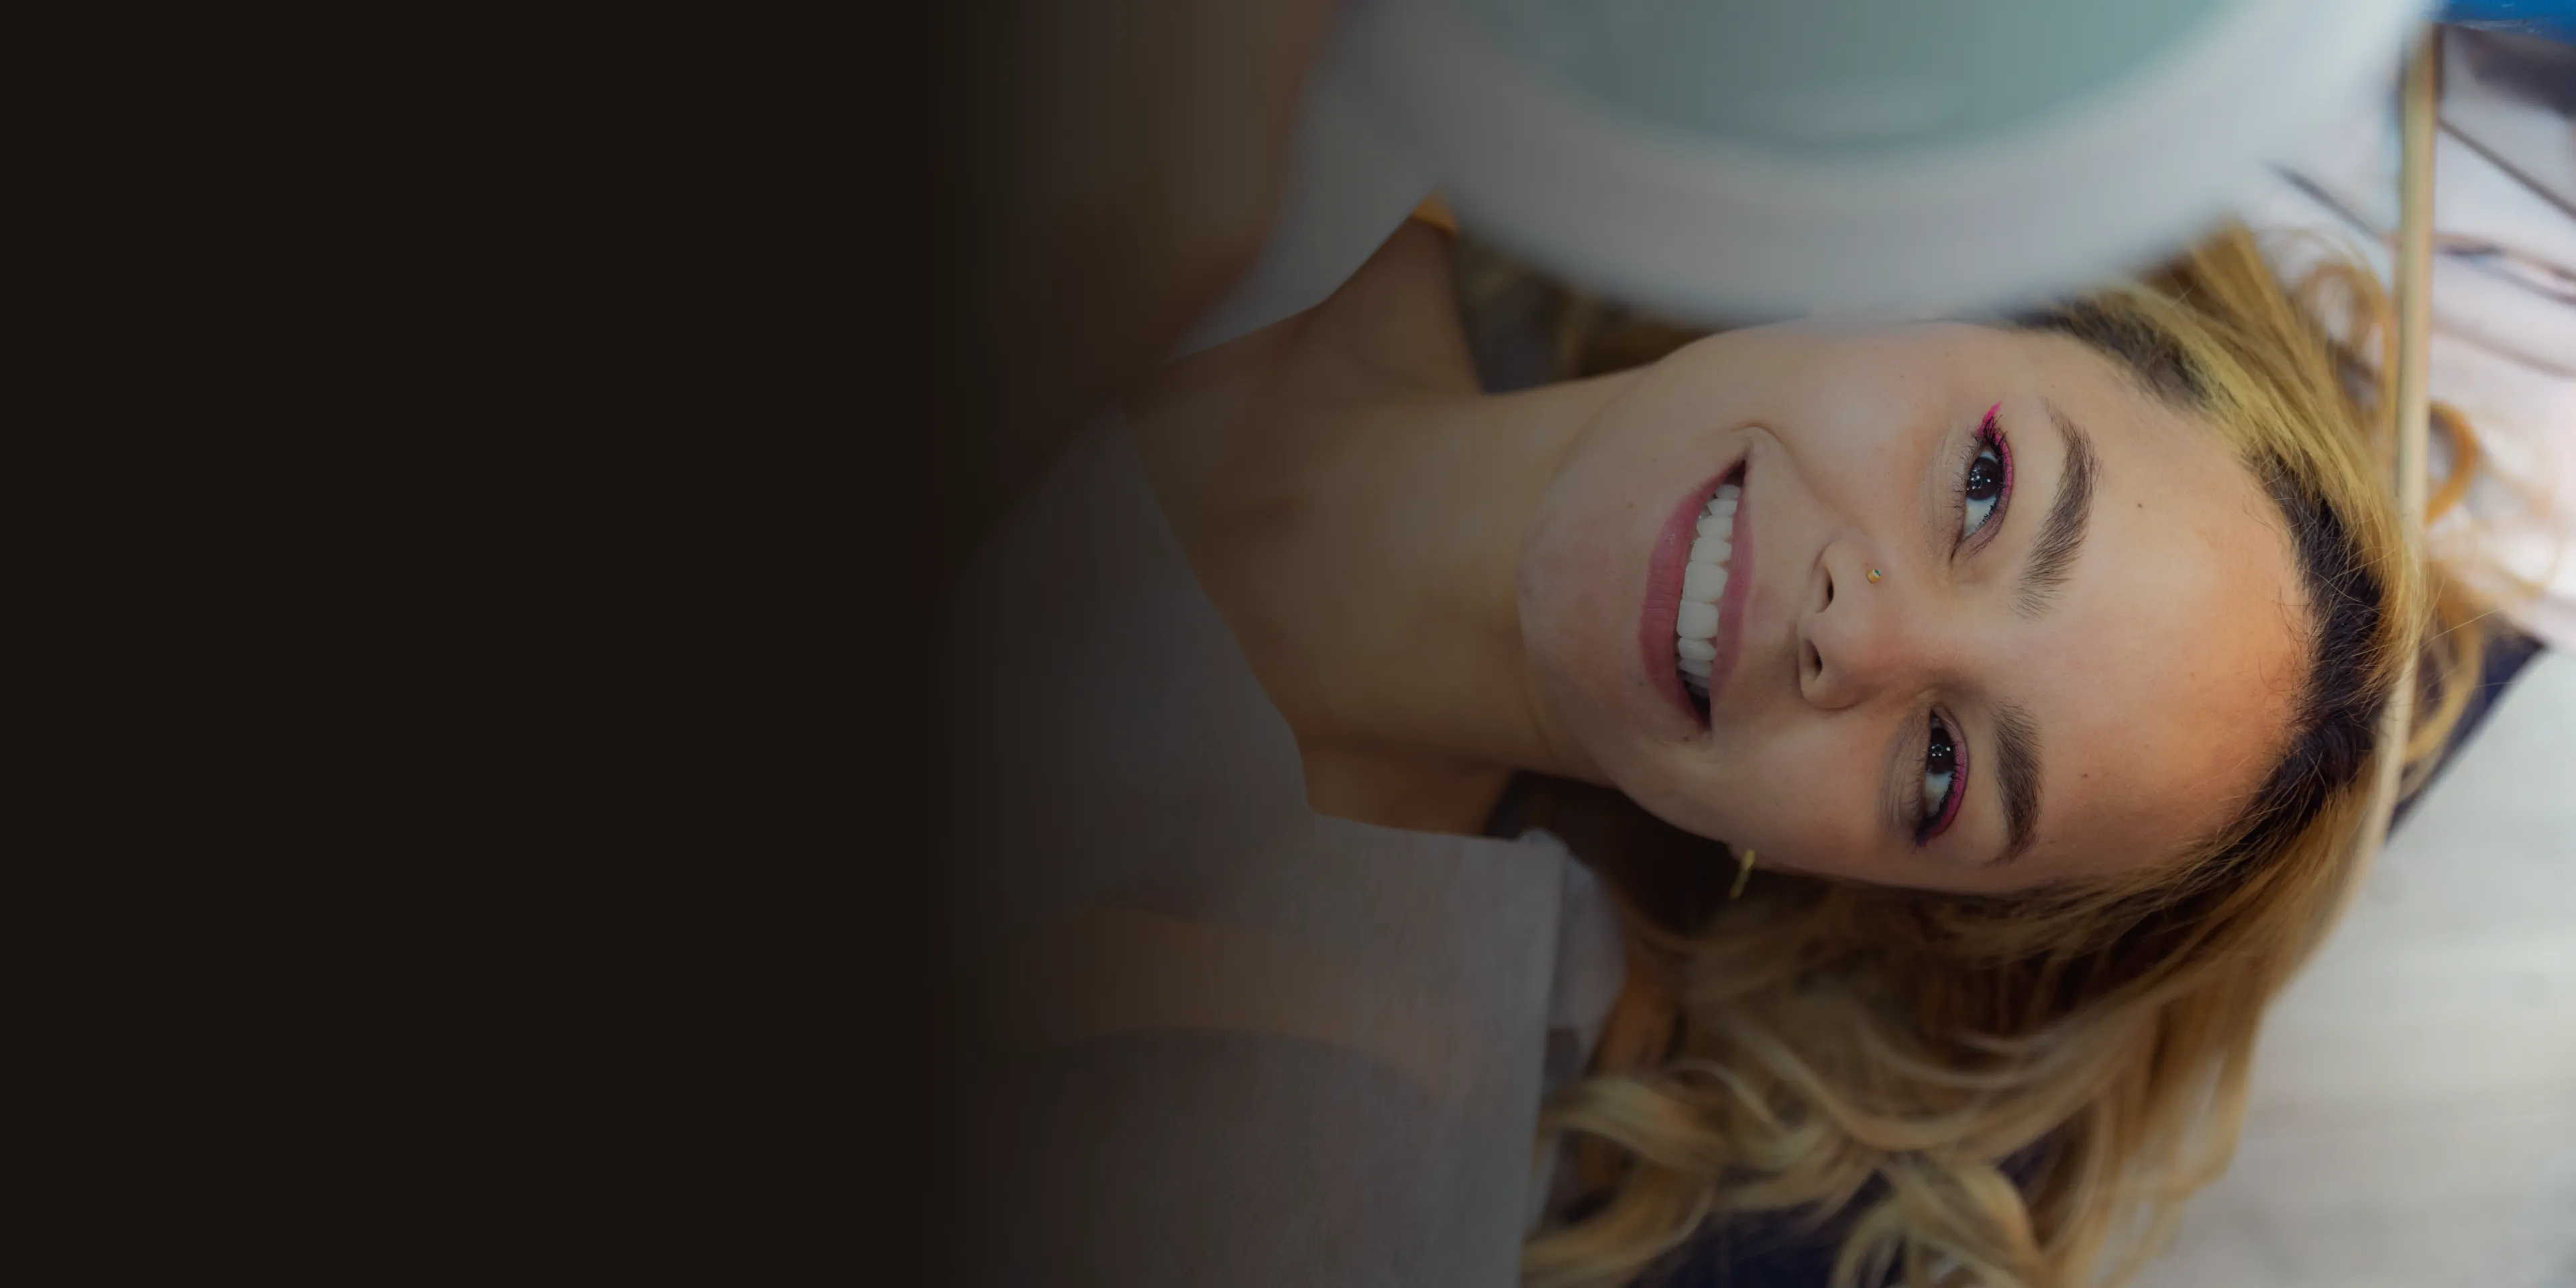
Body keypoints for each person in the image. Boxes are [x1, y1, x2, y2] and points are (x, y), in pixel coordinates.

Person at [924, 7, 2493, 1285]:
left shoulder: (1288, 1105)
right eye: (1987, 487)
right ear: (1929, 296)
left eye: (1942, 769)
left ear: (1863, 881)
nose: (1858, 631)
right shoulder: (1344, 77)